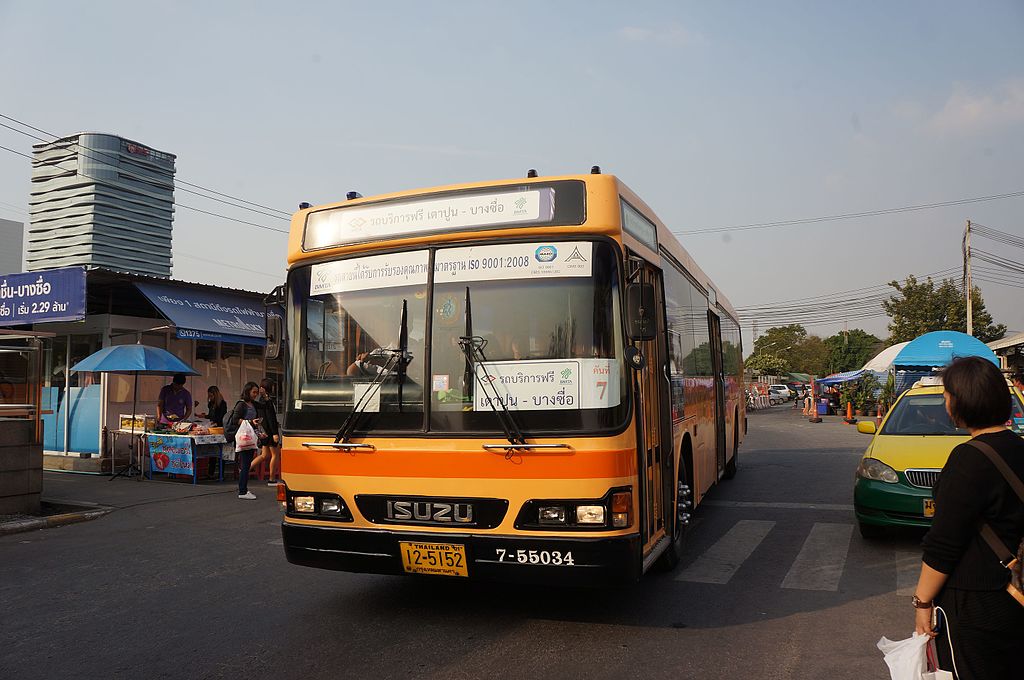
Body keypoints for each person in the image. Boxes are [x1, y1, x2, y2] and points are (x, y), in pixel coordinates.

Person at [912, 356, 1024, 679]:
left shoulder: (967, 459)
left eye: (947, 394)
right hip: (1017, 595)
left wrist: (922, 603)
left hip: (977, 606)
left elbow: (943, 546)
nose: (945, 401)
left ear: (961, 401)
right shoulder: (1020, 448)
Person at [225, 382, 262, 500]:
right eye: (254, 392)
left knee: (246, 463)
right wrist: (250, 422)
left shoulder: (253, 404)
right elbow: (235, 420)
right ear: (248, 391)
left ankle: (244, 489)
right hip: (243, 438)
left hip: (251, 437)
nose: (256, 394)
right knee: (245, 464)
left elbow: (266, 407)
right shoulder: (241, 404)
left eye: (257, 392)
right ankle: (242, 490)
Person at [249, 378, 282, 485]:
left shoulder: (261, 401)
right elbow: (270, 418)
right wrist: (275, 433)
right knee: (275, 454)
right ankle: (272, 479)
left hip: (263, 431)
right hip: (269, 432)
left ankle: (244, 470)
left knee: (265, 455)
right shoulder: (266, 402)